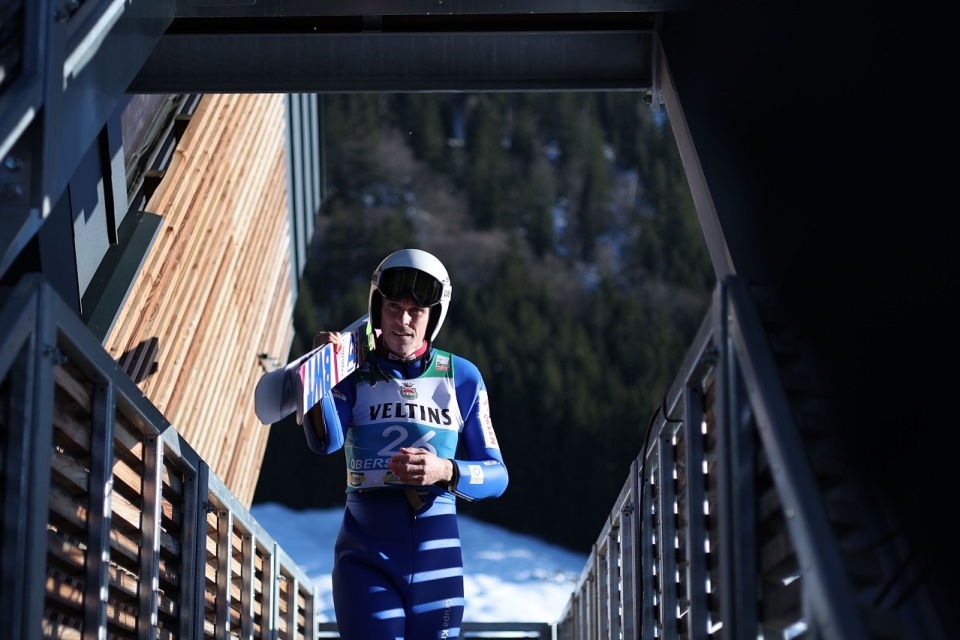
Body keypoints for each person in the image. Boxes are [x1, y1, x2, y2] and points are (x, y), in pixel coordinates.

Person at [302, 248, 509, 640]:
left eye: (417, 311)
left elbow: (497, 476)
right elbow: (325, 441)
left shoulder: (462, 377)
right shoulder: (353, 370)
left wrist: (445, 470)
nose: (403, 320)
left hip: (438, 559)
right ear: (377, 308)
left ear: (433, 318)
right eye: (394, 306)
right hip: (365, 557)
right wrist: (319, 374)